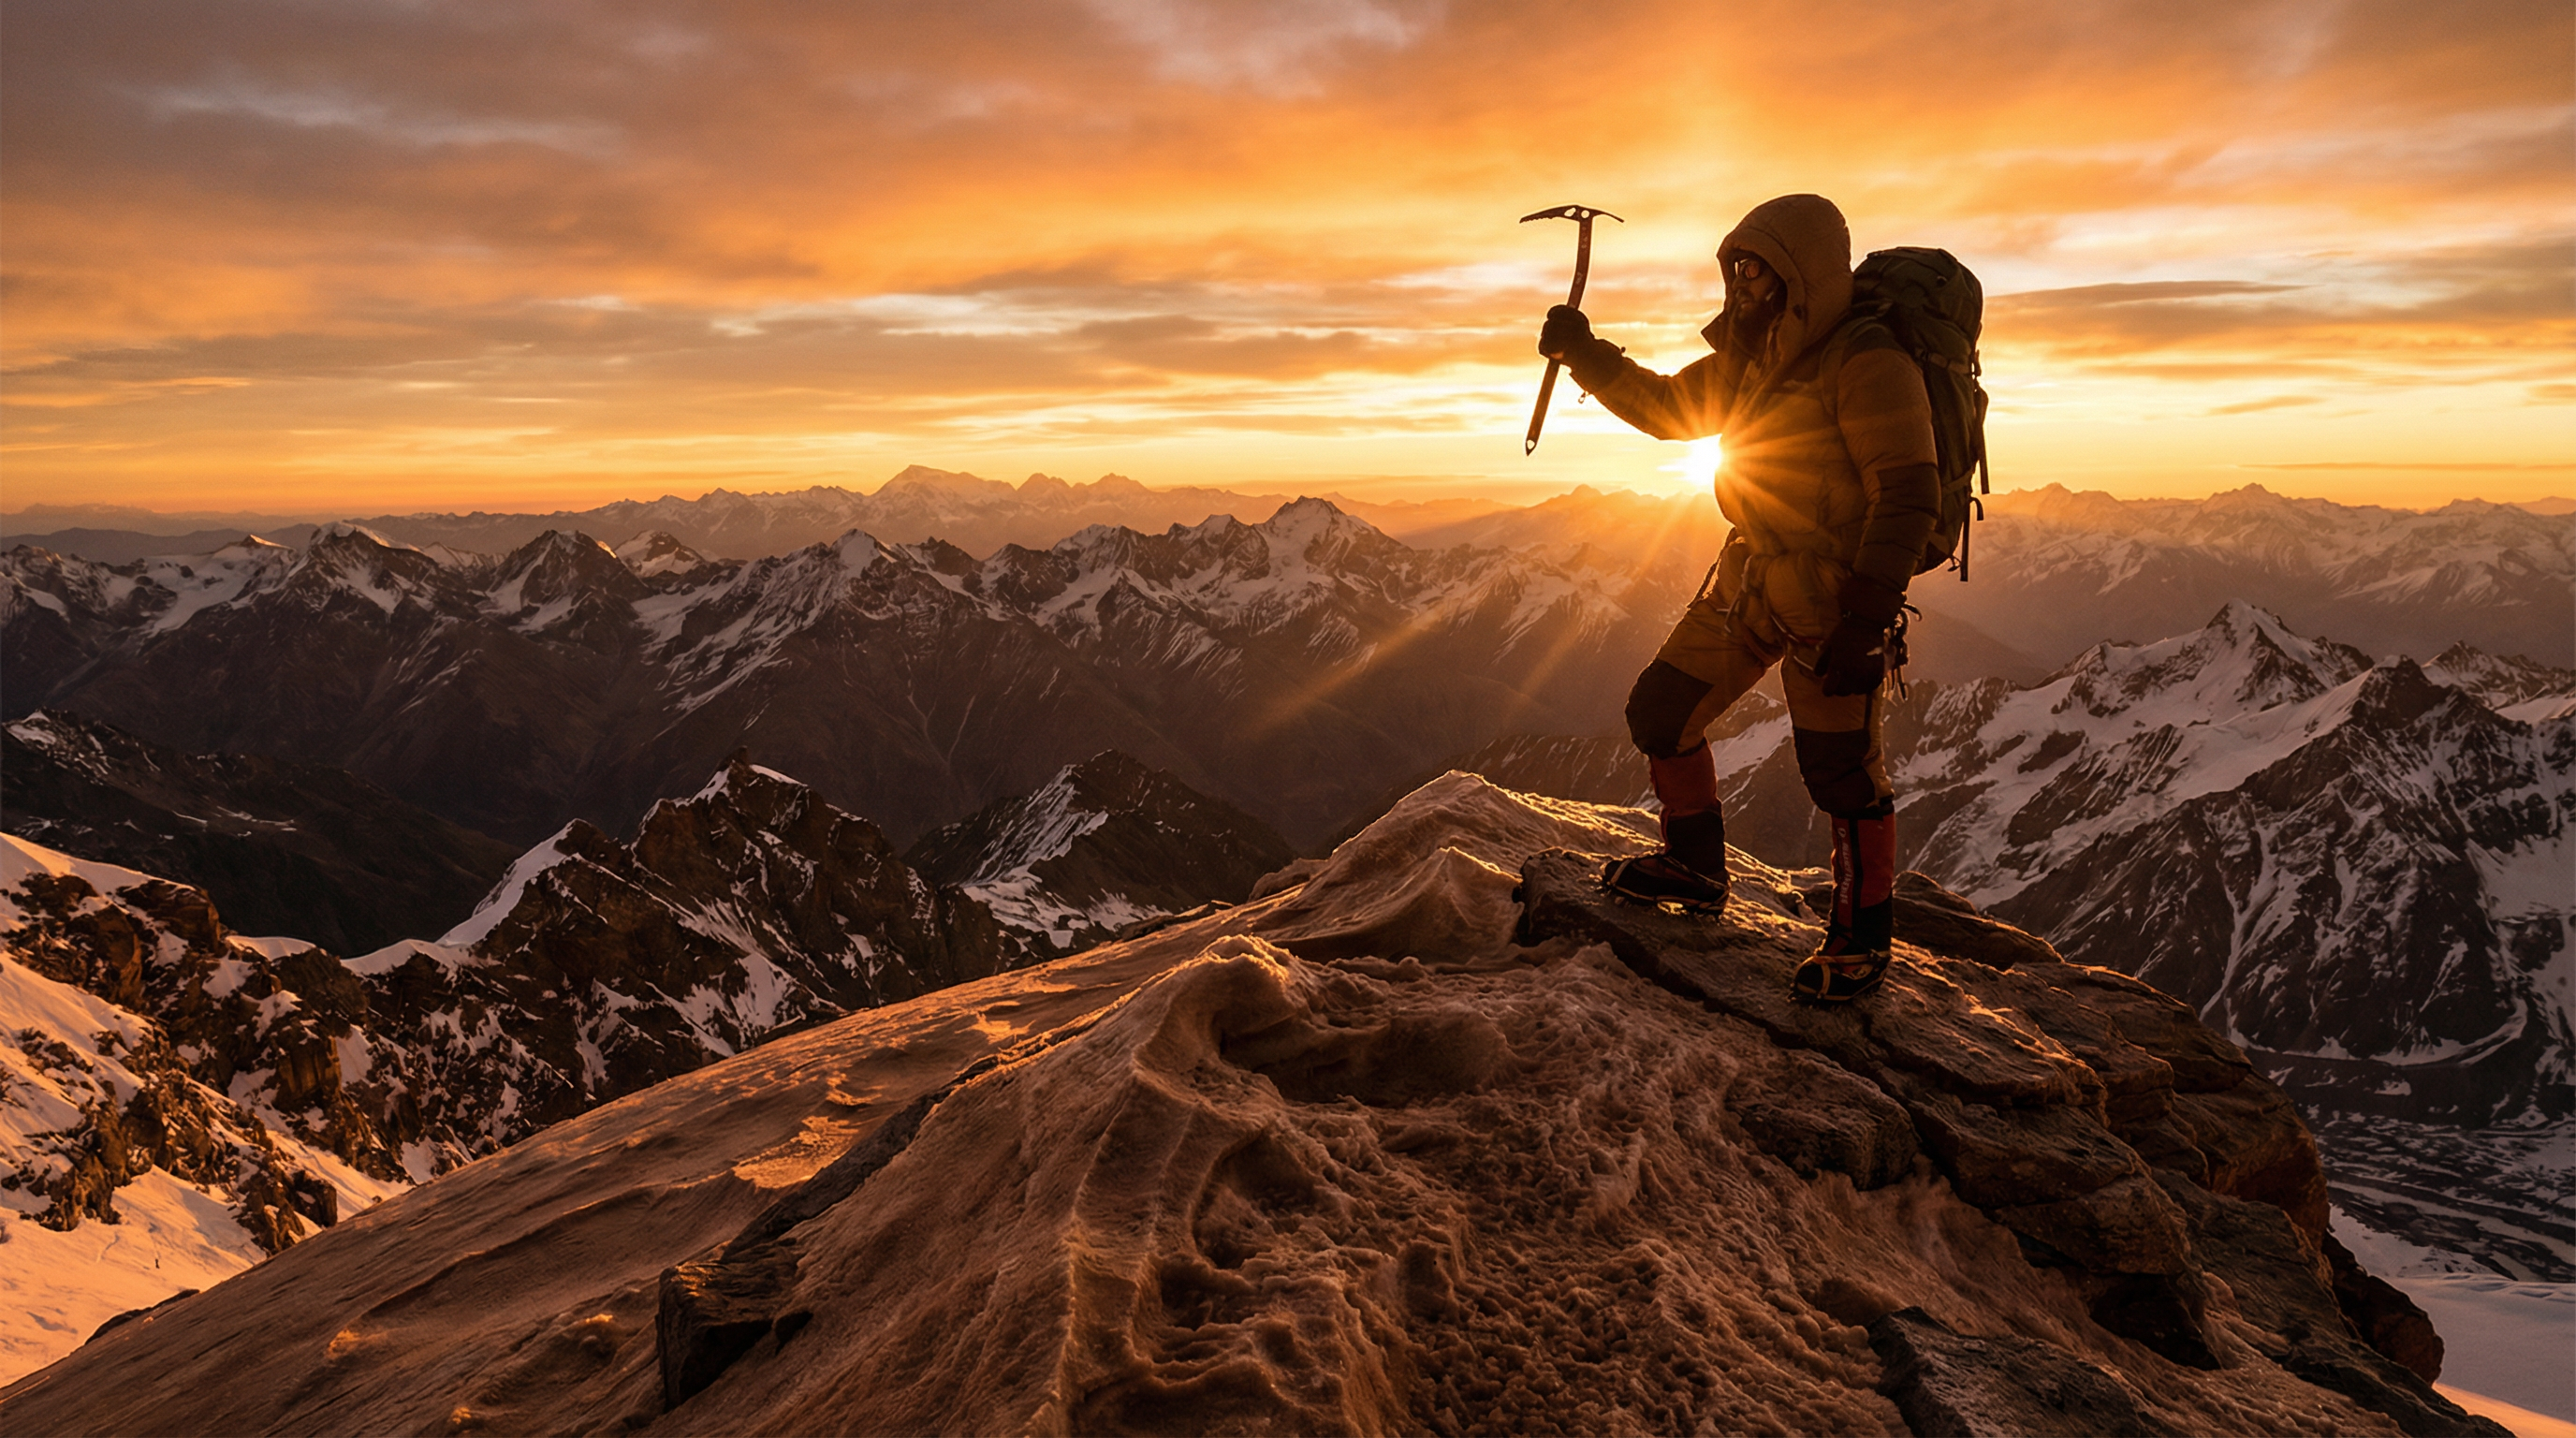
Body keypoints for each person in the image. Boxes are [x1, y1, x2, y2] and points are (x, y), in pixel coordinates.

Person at [1538, 193, 1941, 1004]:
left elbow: (1907, 493)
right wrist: (1588, 356)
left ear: (1801, 274)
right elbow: (1670, 409)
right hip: (1749, 571)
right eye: (1735, 269)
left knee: (1841, 772)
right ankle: (1693, 868)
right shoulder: (1753, 358)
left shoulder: (1865, 361)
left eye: (1756, 270)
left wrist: (1866, 618)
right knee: (1662, 709)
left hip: (1832, 594)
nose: (1741, 285)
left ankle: (1862, 940)